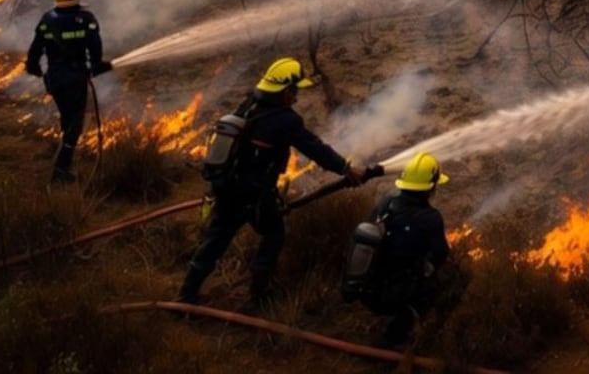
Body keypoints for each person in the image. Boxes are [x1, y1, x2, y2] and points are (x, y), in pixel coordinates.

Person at [178, 56, 365, 308]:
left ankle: (186, 294)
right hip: (254, 195)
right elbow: (314, 148)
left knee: (215, 241)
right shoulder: (286, 120)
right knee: (274, 234)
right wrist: (344, 167)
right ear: (284, 90)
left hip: (227, 189)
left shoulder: (249, 104)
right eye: (294, 91)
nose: (296, 96)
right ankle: (258, 296)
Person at [353, 151, 451, 347]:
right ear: (430, 187)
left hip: (366, 290)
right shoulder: (430, 218)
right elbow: (441, 254)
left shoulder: (385, 203)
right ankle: (396, 333)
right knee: (437, 284)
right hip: (392, 297)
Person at [25, 0, 113, 184]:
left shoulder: (46, 20)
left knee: (67, 117)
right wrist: (97, 66)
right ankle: (61, 170)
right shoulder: (86, 19)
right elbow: (95, 48)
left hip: (54, 78)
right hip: (75, 78)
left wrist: (35, 69)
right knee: (75, 123)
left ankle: (64, 159)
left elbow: (34, 51)